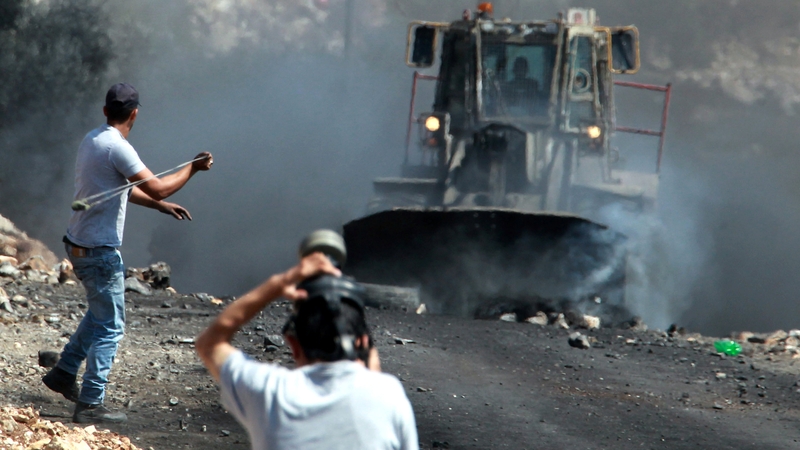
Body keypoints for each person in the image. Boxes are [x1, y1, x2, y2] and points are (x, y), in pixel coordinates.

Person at [41, 82, 214, 423]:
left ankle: (64, 372)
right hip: (99, 253)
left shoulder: (92, 139)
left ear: (106, 110)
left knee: (99, 313)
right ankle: (90, 404)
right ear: (135, 113)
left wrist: (160, 207)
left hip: (77, 244)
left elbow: (120, 190)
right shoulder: (118, 148)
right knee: (111, 326)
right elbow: (158, 185)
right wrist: (192, 168)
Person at [195, 252, 419, 450]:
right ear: (362, 341)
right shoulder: (390, 396)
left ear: (292, 344)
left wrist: (280, 282)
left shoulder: (270, 392)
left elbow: (210, 343)